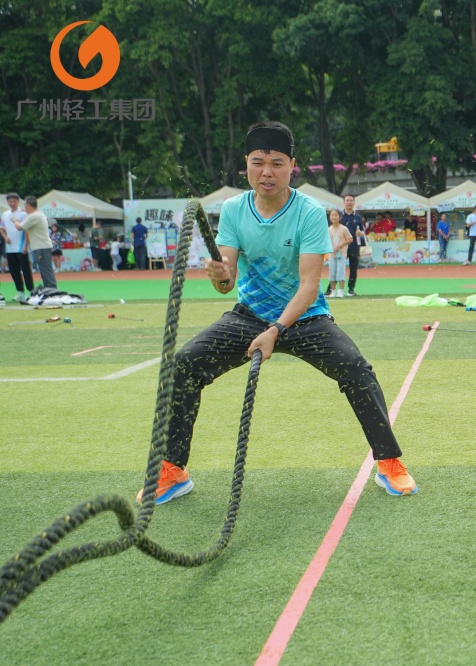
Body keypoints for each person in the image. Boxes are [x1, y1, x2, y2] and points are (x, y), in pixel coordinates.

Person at [135, 121, 417, 506]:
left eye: (277, 163)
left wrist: (276, 330)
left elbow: (309, 285)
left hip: (304, 317)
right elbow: (227, 283)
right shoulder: (233, 209)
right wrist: (219, 275)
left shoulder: (310, 212)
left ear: (292, 166)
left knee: (356, 369)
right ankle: (173, 469)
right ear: (246, 165)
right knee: (184, 365)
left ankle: (389, 462)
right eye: (258, 162)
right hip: (249, 315)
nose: (266, 172)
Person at [16, 196, 57, 288]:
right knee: (45, 269)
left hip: (41, 247)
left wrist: (15, 221)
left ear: (29, 205)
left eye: (25, 205)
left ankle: (52, 289)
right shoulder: (38, 214)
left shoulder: (34, 216)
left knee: (45, 270)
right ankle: (49, 289)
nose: (24, 207)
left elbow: (19, 227)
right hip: (42, 247)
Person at [0, 193, 32, 302]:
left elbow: (27, 230)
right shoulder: (5, 214)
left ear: (18, 202)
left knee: (26, 270)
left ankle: (31, 291)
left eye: (14, 201)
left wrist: (26, 245)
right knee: (14, 271)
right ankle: (20, 292)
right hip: (10, 249)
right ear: (8, 202)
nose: (12, 203)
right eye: (10, 201)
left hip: (21, 248)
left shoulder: (23, 214)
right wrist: (5, 237)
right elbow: (2, 229)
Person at [338, 194, 365, 297]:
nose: (349, 202)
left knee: (353, 269)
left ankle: (351, 289)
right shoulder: (339, 216)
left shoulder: (358, 217)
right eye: (347, 200)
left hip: (354, 246)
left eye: (351, 200)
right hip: (341, 247)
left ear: (354, 202)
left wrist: (360, 233)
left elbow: (362, 231)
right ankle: (332, 289)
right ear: (344, 202)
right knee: (338, 269)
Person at [326, 208, 353, 297]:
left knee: (341, 272)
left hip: (342, 254)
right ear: (330, 217)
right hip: (332, 254)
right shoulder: (329, 229)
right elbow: (326, 242)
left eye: (336, 215)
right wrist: (331, 248)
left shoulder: (344, 228)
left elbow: (350, 239)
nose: (334, 217)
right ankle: (333, 291)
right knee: (332, 272)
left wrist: (342, 243)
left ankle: (341, 291)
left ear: (340, 217)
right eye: (332, 215)